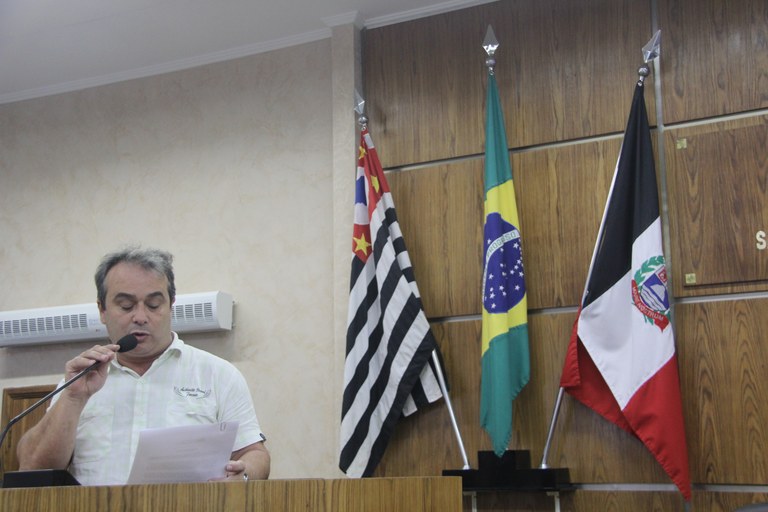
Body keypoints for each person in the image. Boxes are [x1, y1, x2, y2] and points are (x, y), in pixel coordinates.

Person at [16, 246, 270, 485]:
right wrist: (73, 398)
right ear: (102, 310)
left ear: (171, 305)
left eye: (153, 305)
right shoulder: (79, 382)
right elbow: (32, 468)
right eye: (126, 306)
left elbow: (254, 454)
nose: (140, 317)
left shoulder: (217, 374)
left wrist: (243, 476)